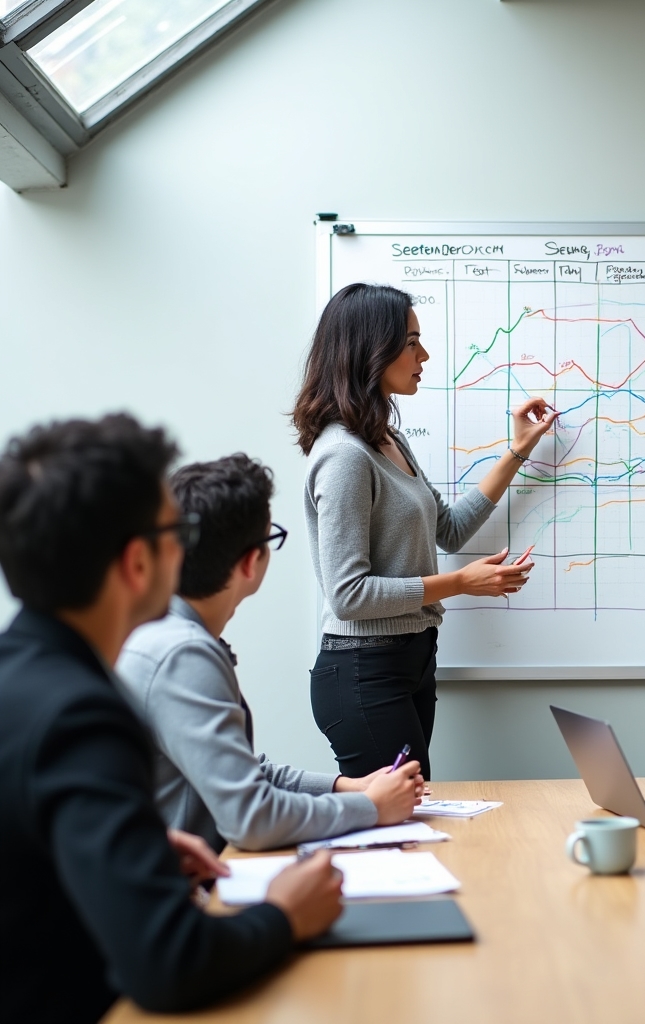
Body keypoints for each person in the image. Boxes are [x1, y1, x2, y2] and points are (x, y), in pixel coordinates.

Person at [0, 415, 343, 1024]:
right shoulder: (83, 718)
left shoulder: (20, 676)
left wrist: (134, 846)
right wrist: (284, 914)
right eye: (176, 530)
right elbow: (168, 964)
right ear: (137, 563)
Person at [293, 283, 557, 779]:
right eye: (412, 341)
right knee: (400, 830)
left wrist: (518, 450)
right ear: (371, 348)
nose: (425, 355)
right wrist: (459, 583)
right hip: (364, 671)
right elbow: (349, 595)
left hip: (411, 660)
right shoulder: (345, 456)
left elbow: (451, 530)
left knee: (409, 822)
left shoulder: (385, 438)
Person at [116, 454, 423, 854]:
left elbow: (241, 768)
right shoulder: (183, 655)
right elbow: (252, 820)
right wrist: (368, 807)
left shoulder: (160, 634)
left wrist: (345, 786)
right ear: (250, 562)